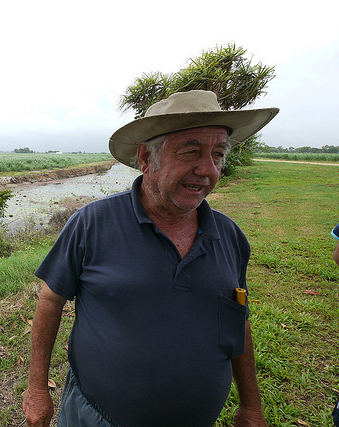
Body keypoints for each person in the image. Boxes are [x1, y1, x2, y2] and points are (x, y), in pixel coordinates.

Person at [22, 90, 279, 426]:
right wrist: (37, 387)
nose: (207, 169)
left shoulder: (230, 237)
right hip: (95, 416)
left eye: (218, 155)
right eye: (191, 151)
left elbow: (237, 319)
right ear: (146, 157)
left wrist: (251, 406)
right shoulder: (91, 223)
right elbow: (51, 299)